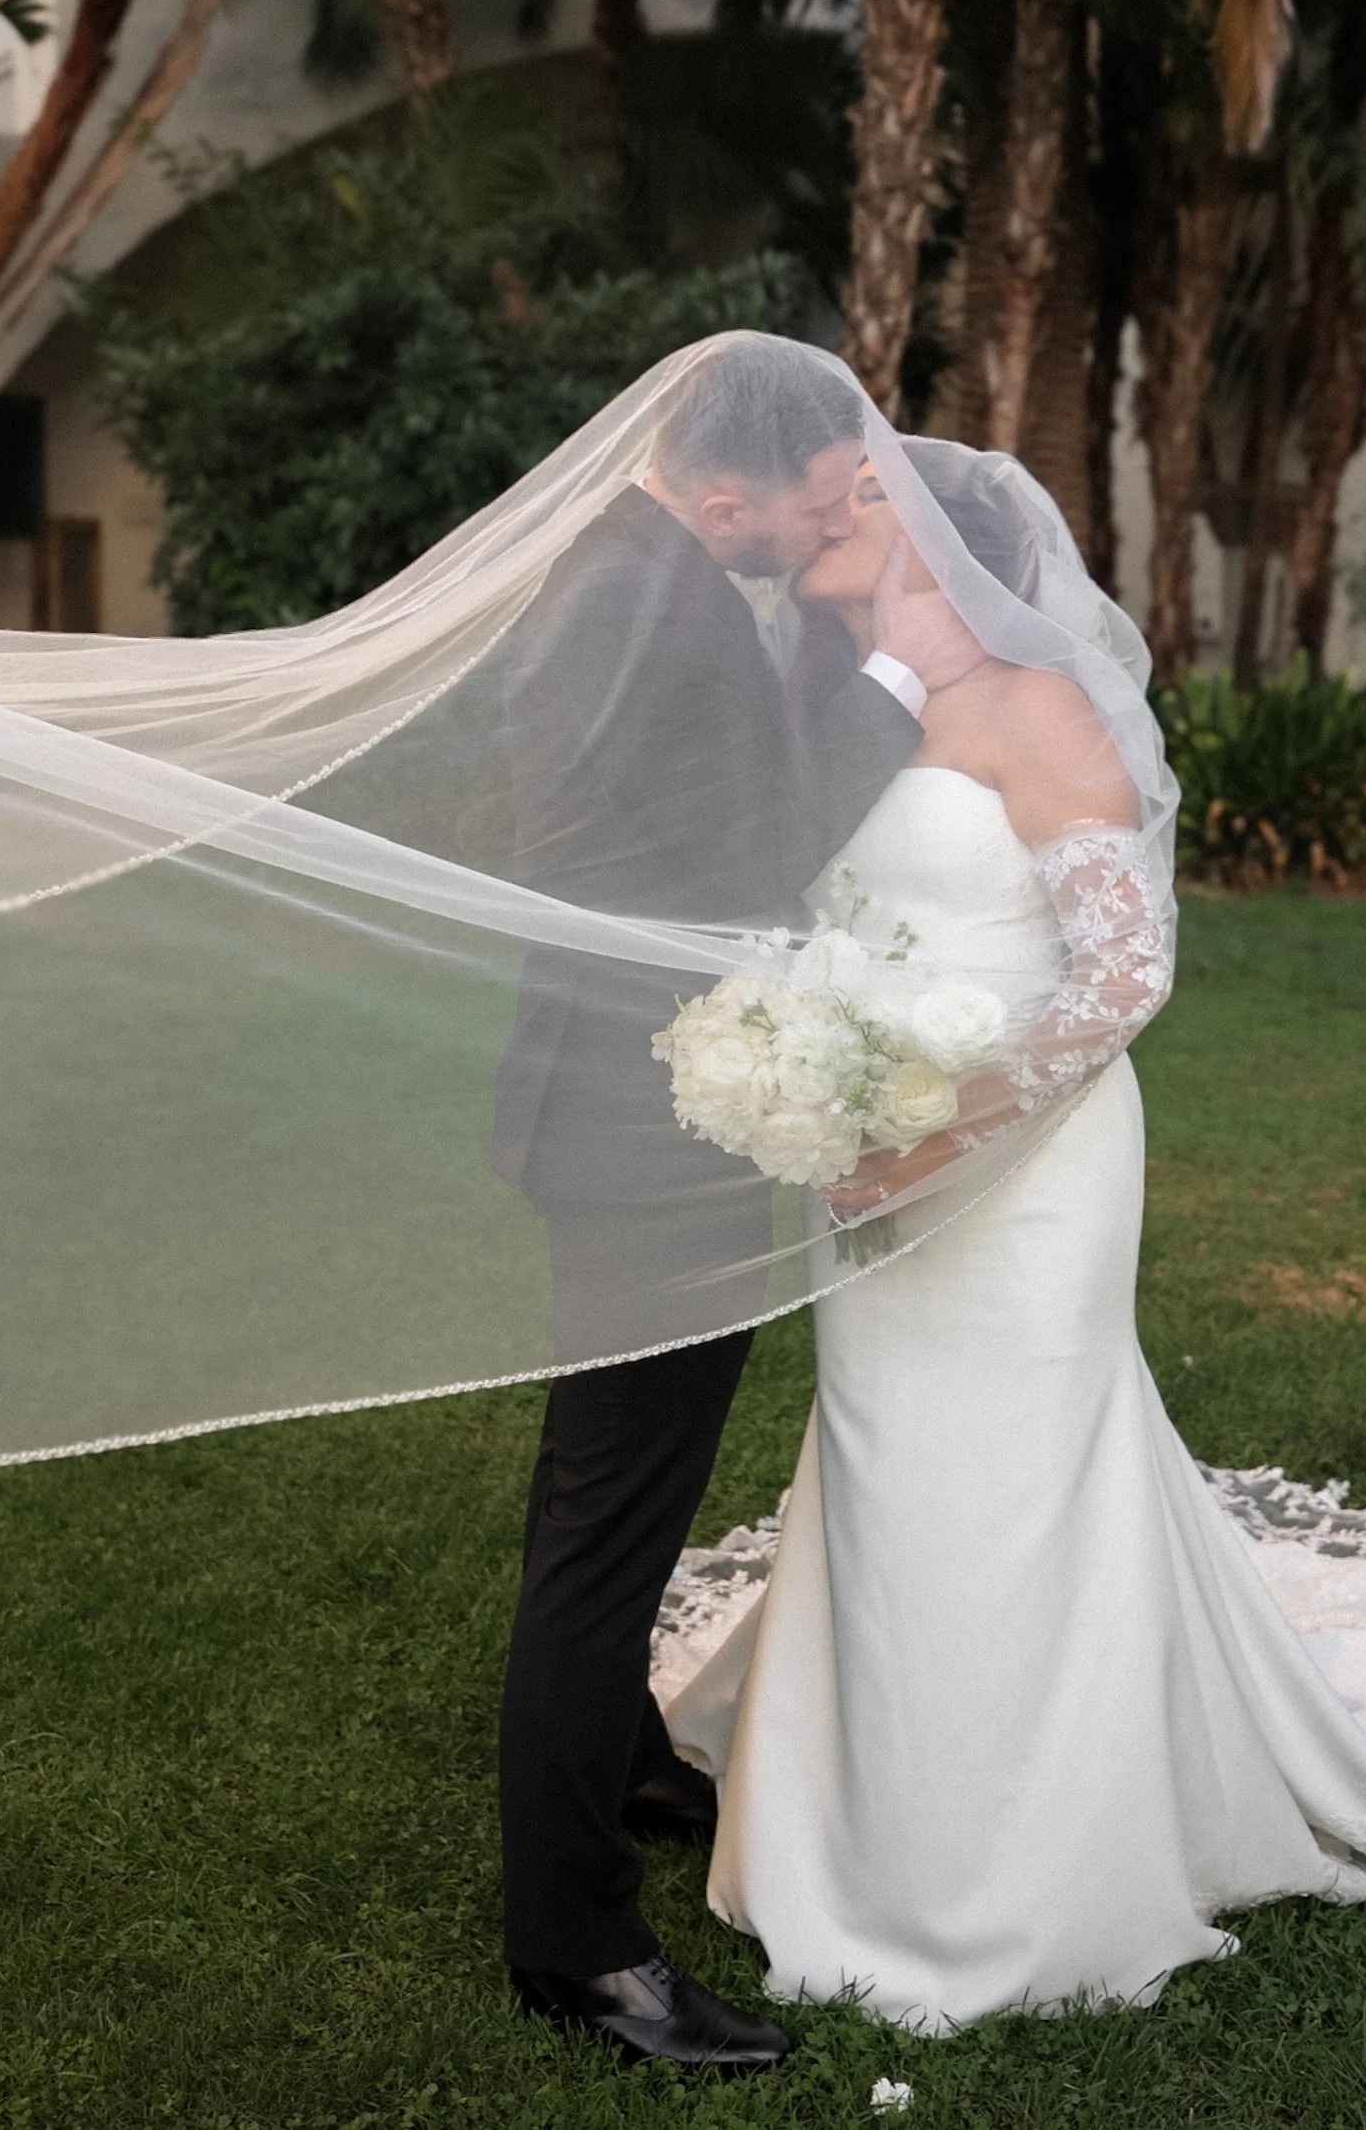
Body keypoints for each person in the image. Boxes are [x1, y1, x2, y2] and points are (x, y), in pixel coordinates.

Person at [656, 441, 1366, 2032]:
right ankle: (858, 1816)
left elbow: (1120, 975)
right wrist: (810, 1079)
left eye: (855, 490)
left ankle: (1018, 1860)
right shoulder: (853, 704)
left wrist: (941, 1127)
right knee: (882, 1447)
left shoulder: (1041, 708)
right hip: (870, 1152)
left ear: (930, 535)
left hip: (1022, 1166)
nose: (824, 508)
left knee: (1014, 1463)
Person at [491, 344, 985, 2069]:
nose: (825, 526)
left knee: (607, 1489)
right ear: (721, 499)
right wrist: (902, 689)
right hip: (646, 1131)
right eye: (810, 503)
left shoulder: (630, 576)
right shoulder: (654, 605)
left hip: (621, 1107)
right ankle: (575, 1942)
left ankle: (622, 1759)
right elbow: (749, 837)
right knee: (610, 1521)